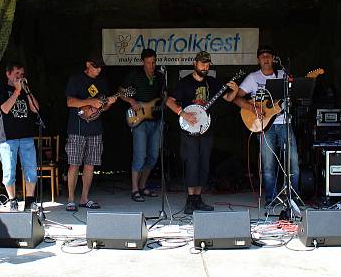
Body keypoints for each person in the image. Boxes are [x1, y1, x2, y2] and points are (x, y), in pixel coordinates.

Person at [166, 51, 239, 214]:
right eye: (202, 64)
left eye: (207, 64)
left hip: (206, 129)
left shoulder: (211, 82)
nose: (205, 67)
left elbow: (228, 98)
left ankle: (198, 198)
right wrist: (183, 114)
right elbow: (169, 101)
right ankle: (190, 200)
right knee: (192, 163)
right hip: (189, 129)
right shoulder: (184, 83)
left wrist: (235, 90)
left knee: (203, 163)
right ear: (195, 63)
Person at [234, 46, 300, 206]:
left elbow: (295, 95)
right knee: (268, 164)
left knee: (293, 161)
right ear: (258, 60)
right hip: (264, 125)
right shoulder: (252, 78)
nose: (266, 59)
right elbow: (236, 98)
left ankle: (293, 198)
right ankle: (271, 199)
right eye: (262, 56)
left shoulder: (283, 75)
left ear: (273, 58)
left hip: (284, 122)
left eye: (268, 56)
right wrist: (253, 108)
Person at [64, 53, 116, 211]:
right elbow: (70, 102)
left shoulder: (102, 82)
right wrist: (90, 101)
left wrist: (109, 103)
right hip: (77, 128)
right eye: (96, 67)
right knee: (74, 164)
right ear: (88, 64)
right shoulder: (76, 79)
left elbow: (103, 107)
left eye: (101, 67)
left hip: (95, 128)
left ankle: (84, 198)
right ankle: (71, 199)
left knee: (90, 164)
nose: (98, 70)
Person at [121, 48, 165, 202]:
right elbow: (121, 92)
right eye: (148, 63)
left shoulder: (160, 76)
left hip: (156, 120)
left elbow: (162, 97)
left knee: (153, 156)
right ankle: (134, 189)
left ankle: (142, 185)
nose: (151, 65)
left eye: (153, 62)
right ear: (142, 62)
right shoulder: (135, 75)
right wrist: (132, 101)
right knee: (140, 155)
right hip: (139, 121)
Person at [0, 63, 40, 212]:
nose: (19, 77)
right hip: (8, 138)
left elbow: (36, 109)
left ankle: (30, 201)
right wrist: (16, 91)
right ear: (8, 74)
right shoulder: (2, 90)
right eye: (16, 73)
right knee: (9, 172)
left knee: (31, 170)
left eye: (21, 74)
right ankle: (12, 200)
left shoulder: (26, 91)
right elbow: (5, 109)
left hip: (26, 136)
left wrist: (26, 91)